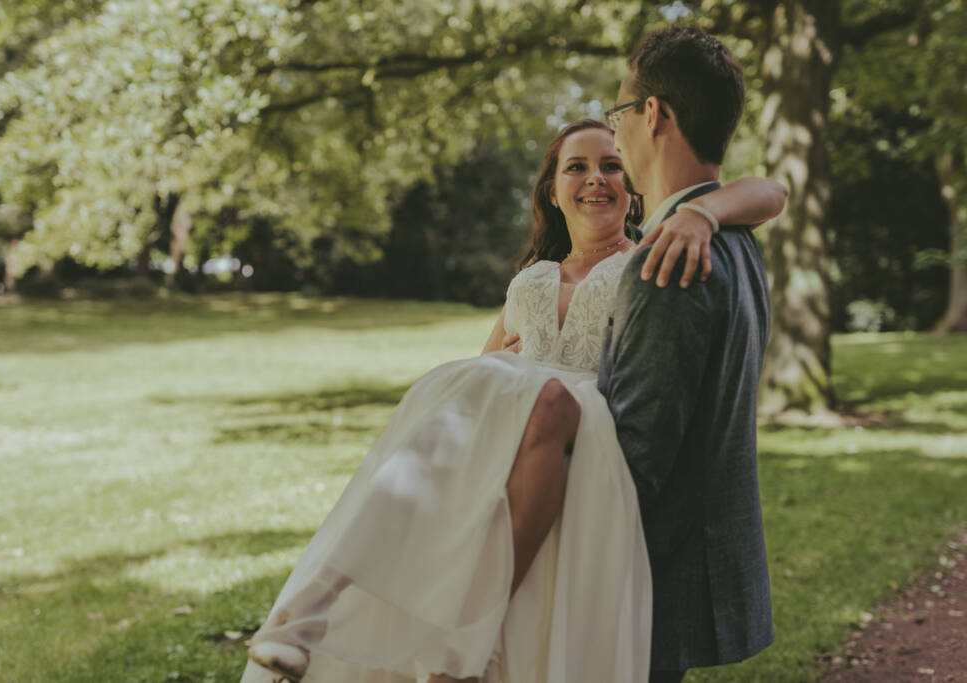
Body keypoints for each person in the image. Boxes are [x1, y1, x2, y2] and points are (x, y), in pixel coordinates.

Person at [241, 118, 785, 683]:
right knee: (451, 386)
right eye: (576, 167)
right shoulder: (531, 280)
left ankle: (466, 633)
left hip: (588, 442)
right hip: (522, 456)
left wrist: (702, 212)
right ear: (553, 190)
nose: (595, 178)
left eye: (611, 165)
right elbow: (477, 387)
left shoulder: (654, 249)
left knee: (542, 397)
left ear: (634, 187)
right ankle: (309, 609)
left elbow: (773, 192)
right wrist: (510, 367)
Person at [598, 26, 782, 683]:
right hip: (683, 565)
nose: (613, 137)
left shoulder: (671, 259)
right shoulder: (732, 237)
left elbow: (633, 456)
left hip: (647, 571)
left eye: (617, 115)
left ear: (652, 114)